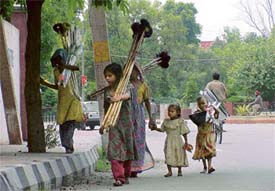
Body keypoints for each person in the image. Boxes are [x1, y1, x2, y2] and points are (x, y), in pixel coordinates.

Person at [99, 63, 137, 187]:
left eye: (110, 76)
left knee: (127, 149)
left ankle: (126, 175)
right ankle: (118, 177)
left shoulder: (126, 86)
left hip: (126, 124)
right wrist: (103, 124)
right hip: (113, 124)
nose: (107, 78)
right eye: (106, 76)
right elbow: (106, 108)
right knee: (114, 150)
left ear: (117, 75)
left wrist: (119, 97)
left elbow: (129, 95)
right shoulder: (107, 91)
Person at [40, 49, 84, 154]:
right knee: (62, 124)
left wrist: (65, 66)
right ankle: (66, 145)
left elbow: (77, 68)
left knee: (69, 124)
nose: (58, 63)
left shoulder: (70, 69)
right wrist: (44, 83)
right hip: (63, 102)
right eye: (57, 60)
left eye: (60, 60)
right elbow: (58, 86)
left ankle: (69, 145)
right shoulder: (56, 71)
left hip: (73, 100)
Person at [129, 64, 155, 178]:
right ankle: (127, 167)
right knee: (128, 140)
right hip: (127, 114)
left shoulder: (143, 85)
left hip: (139, 115)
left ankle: (136, 167)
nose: (132, 73)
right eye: (129, 70)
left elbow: (147, 102)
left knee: (139, 140)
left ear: (138, 72)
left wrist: (151, 118)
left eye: (134, 71)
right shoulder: (124, 85)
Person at [151, 104, 190, 177]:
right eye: (169, 111)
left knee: (179, 154)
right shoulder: (166, 122)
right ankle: (169, 171)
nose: (170, 113)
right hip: (169, 141)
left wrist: (186, 142)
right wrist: (155, 128)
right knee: (168, 154)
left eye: (172, 111)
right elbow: (162, 130)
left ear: (178, 112)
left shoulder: (180, 121)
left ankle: (179, 170)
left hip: (178, 141)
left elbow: (184, 132)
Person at [192, 96, 217, 174]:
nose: (202, 105)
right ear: (198, 105)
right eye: (200, 104)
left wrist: (216, 111)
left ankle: (209, 166)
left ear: (207, 103)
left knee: (210, 149)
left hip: (210, 134)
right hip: (201, 134)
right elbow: (197, 121)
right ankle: (205, 166)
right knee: (202, 150)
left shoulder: (211, 111)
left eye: (203, 103)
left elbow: (216, 117)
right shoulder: (197, 113)